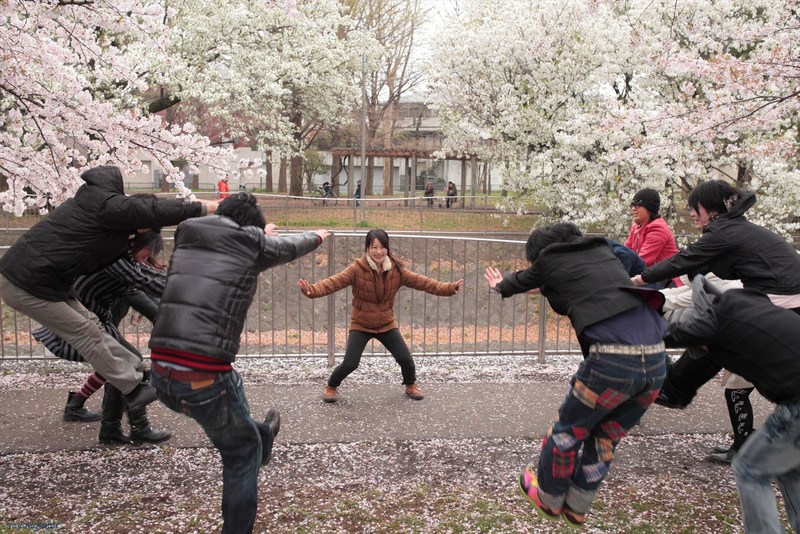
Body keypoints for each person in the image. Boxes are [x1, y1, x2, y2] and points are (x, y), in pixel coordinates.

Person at [148, 192, 329, 534]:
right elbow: (291, 247)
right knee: (241, 453)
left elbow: (245, 238)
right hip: (203, 378)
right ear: (253, 230)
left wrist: (262, 234)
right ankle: (258, 442)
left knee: (233, 404)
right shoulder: (251, 243)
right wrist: (319, 235)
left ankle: (262, 432)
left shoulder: (188, 233)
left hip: (160, 373)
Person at [484, 223, 667, 529]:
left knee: (568, 432)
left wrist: (501, 285)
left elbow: (519, 281)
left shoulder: (550, 259)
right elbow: (579, 283)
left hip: (612, 362)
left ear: (541, 253)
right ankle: (577, 507)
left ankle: (550, 497)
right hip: (657, 360)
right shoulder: (603, 250)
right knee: (606, 437)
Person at [0, 165, 216, 414]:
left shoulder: (112, 233)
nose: (146, 230)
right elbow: (145, 280)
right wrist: (209, 207)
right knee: (87, 332)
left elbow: (144, 282)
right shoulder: (106, 210)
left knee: (94, 328)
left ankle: (133, 381)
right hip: (24, 282)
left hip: (48, 284)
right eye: (146, 225)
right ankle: (133, 392)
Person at [632, 179, 800, 408]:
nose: (691, 213)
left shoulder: (725, 232)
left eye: (695, 208)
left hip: (782, 296)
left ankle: (674, 388)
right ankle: (675, 386)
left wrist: (640, 278)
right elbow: (698, 264)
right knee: (717, 335)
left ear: (711, 209)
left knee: (717, 330)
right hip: (780, 296)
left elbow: (684, 260)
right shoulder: (734, 229)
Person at [667, 275, 800, 534]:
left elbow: (683, 376)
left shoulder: (719, 332)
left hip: (796, 404)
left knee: (750, 470)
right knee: (789, 467)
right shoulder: (747, 307)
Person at [32, 229, 171, 444]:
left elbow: (146, 295)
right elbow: (145, 290)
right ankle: (122, 428)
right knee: (125, 365)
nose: (148, 259)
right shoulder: (116, 263)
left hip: (93, 322)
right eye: (148, 253)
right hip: (79, 324)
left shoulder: (120, 261)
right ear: (137, 244)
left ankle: (115, 428)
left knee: (126, 364)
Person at [298, 229, 463, 403]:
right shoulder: (356, 269)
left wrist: (449, 288)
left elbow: (424, 282)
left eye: (382, 247)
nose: (378, 251)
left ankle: (410, 384)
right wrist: (311, 290)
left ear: (387, 248)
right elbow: (334, 282)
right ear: (367, 248)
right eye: (374, 247)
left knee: (405, 359)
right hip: (361, 323)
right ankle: (331, 387)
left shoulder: (396, 270)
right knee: (350, 363)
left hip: (386, 323)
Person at [659, 274, 754, 464]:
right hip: (746, 330)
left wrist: (647, 296)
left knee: (737, 393)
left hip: (747, 336)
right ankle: (742, 443)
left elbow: (681, 296)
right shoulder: (720, 275)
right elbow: (684, 291)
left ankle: (743, 447)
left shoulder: (719, 281)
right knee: (737, 392)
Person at [624, 188, 678, 268]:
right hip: (648, 274)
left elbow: (642, 262)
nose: (633, 209)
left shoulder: (658, 229)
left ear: (649, 208)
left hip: (664, 277)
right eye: (632, 205)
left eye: (638, 205)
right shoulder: (636, 226)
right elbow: (625, 251)